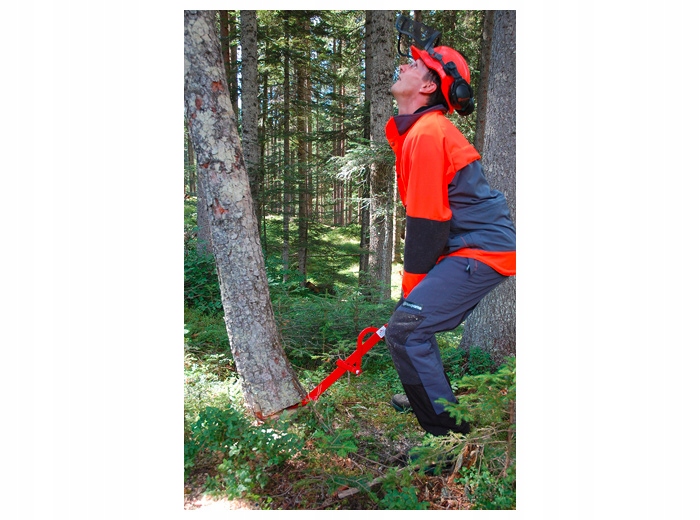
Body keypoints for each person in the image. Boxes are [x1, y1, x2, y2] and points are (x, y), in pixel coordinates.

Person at [384, 44, 516, 437]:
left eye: (415, 64)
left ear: (428, 86)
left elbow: (428, 222)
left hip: (482, 249)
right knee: (410, 326)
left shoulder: (429, 133)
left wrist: (410, 292)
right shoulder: (418, 132)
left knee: (407, 329)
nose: (404, 65)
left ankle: (449, 441)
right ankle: (430, 397)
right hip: (464, 246)